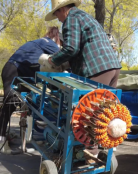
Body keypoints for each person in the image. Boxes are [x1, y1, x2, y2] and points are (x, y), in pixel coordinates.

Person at [45, 0, 122, 160]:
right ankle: (106, 146)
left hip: (96, 68)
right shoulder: (85, 17)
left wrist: (52, 60)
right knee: (106, 111)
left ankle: (90, 151)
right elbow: (78, 44)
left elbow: (71, 49)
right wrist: (59, 40)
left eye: (57, 14)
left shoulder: (70, 19)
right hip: (112, 66)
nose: (58, 19)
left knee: (87, 111)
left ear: (63, 9)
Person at [0, 26, 63, 154]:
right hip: (13, 69)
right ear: (57, 38)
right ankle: (0, 140)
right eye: (62, 43)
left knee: (30, 103)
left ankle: (28, 141)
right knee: (9, 103)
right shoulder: (49, 42)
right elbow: (62, 58)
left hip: (23, 73)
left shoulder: (40, 45)